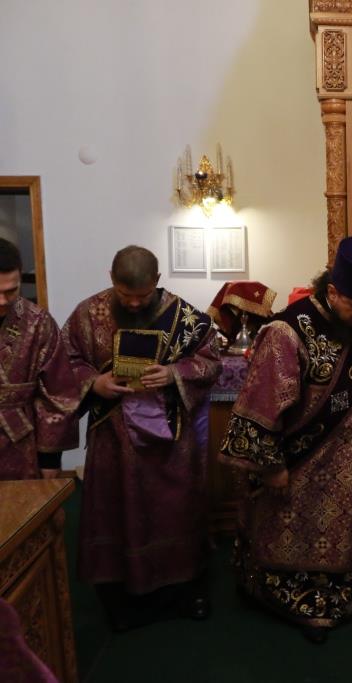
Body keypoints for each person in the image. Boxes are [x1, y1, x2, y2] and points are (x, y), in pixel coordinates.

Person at [220, 236, 352, 644]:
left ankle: (340, 597)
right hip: (293, 460)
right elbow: (262, 401)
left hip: (346, 457)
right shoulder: (286, 331)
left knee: (341, 529)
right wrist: (271, 464)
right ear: (332, 292)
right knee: (286, 530)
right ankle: (290, 603)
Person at [62, 245, 221, 630]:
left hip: (170, 440)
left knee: (175, 512)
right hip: (112, 437)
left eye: (143, 295)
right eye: (125, 294)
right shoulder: (88, 314)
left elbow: (210, 361)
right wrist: (94, 382)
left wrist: (174, 374)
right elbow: (65, 361)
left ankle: (180, 594)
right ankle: (121, 602)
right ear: (111, 280)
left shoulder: (184, 317)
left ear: (157, 282)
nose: (134, 303)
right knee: (115, 512)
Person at [0, 238, 79, 480]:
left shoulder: (38, 323)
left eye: (11, 291)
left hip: (21, 442)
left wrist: (50, 460)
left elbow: (57, 395)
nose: (2, 301)